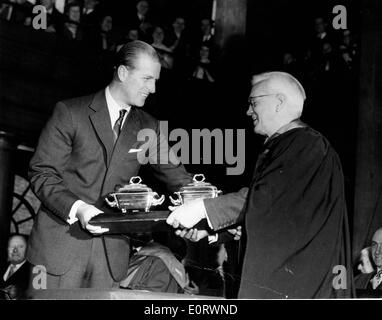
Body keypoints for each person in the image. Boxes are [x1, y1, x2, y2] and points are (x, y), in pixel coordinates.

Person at [167, 71, 354, 299]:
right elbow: (277, 218)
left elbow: (265, 198)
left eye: (253, 103)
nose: (248, 111)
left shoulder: (306, 144)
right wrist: (214, 230)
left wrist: (202, 208)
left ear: (279, 102)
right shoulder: (291, 144)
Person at [27, 40, 192, 290]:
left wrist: (210, 208)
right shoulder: (70, 112)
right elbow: (43, 173)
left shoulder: (150, 127)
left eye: (155, 80)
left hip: (110, 258)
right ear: (123, 73)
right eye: (147, 79)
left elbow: (178, 178)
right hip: (58, 252)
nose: (153, 88)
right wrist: (79, 209)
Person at [0, 235, 31, 299]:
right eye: (11, 246)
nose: (15, 250)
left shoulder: (32, 273)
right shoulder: (3, 265)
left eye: (20, 247)